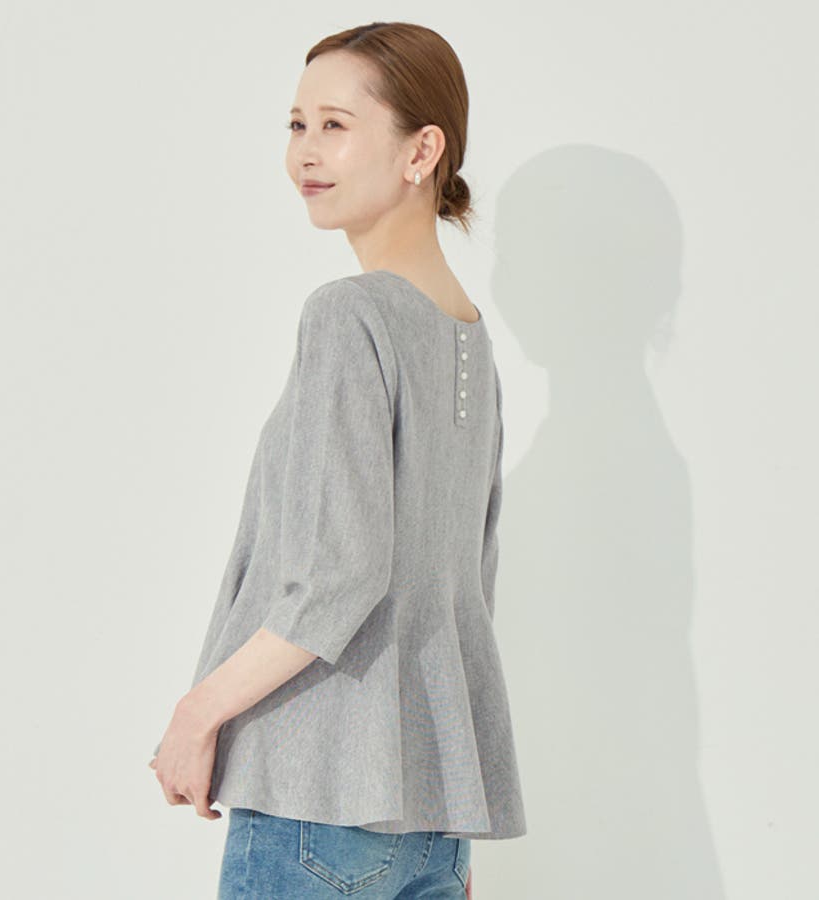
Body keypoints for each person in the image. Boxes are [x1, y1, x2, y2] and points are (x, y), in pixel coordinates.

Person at [149, 21, 526, 898]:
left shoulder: (349, 314)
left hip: (315, 797)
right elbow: (471, 584)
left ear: (421, 151)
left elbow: (339, 573)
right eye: (297, 124)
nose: (306, 153)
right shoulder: (468, 339)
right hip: (432, 828)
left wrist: (196, 713)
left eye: (335, 125)